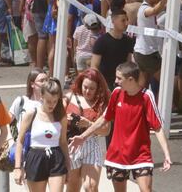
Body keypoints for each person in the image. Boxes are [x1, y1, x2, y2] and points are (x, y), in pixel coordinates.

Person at [69, 62, 172, 192]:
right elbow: (103, 119)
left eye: (119, 78)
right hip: (117, 155)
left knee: (146, 189)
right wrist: (83, 137)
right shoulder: (117, 93)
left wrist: (166, 154)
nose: (116, 81)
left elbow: (157, 127)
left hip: (141, 154)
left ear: (130, 80)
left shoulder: (147, 96)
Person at [14, 78, 70, 192]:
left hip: (56, 157)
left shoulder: (61, 117)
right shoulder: (32, 114)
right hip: (36, 157)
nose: (52, 105)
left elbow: (63, 142)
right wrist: (17, 167)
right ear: (42, 97)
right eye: (49, 101)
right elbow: (19, 141)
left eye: (55, 101)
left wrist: (68, 166)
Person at [65, 69, 110, 192]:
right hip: (72, 144)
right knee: (72, 187)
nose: (87, 91)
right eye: (85, 87)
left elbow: (106, 130)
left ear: (98, 88)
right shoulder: (70, 97)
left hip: (93, 144)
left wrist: (89, 124)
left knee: (90, 187)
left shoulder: (102, 103)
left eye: (91, 88)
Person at [133, 0, 167, 90]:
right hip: (147, 53)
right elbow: (154, 10)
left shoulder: (145, 7)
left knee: (143, 84)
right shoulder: (144, 9)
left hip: (143, 52)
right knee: (166, 81)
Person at [91, 9, 134, 90]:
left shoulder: (128, 41)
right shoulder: (102, 41)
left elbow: (128, 64)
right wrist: (102, 84)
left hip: (121, 84)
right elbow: (94, 66)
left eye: (127, 20)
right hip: (104, 83)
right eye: (123, 20)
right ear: (113, 21)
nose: (126, 23)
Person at [9, 68, 48, 132]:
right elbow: (6, 122)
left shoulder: (49, 103)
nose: (45, 83)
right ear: (32, 84)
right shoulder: (21, 101)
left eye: (47, 80)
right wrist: (10, 138)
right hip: (22, 141)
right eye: (42, 81)